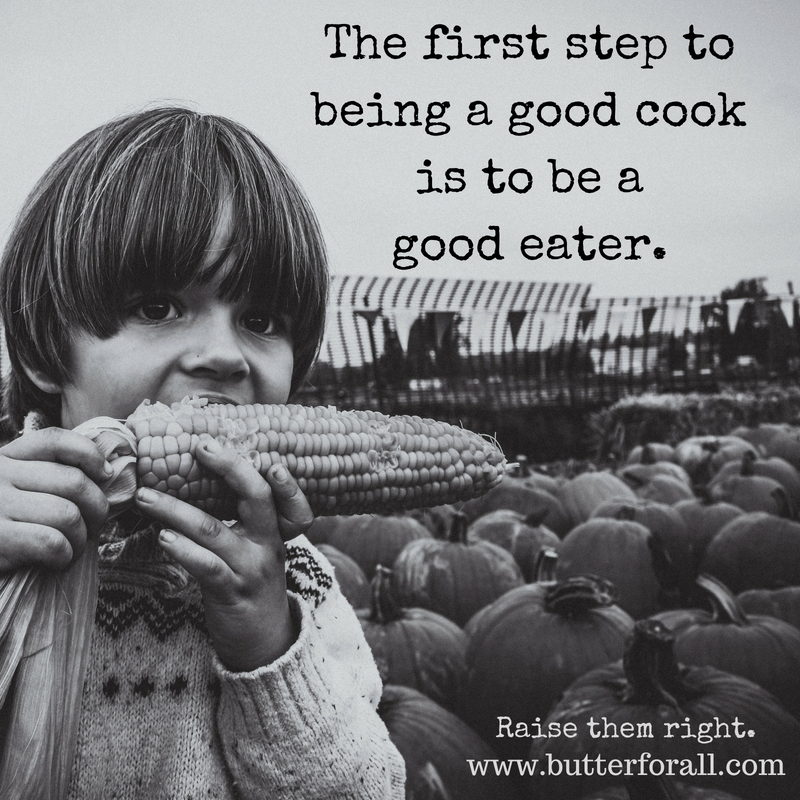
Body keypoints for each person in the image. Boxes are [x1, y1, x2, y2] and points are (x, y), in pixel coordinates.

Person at [0, 107, 406, 798]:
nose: (225, 355)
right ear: (46, 344)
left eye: (260, 321)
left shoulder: (296, 583)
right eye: (158, 308)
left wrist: (270, 648)